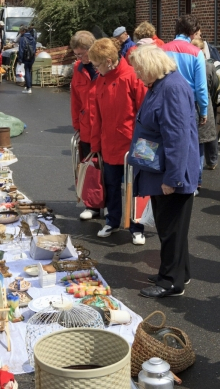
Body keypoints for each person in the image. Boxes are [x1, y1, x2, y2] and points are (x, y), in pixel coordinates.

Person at [128, 45, 199, 298]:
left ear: (151, 66)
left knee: (170, 229)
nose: (137, 75)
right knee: (173, 229)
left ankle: (171, 282)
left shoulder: (171, 87)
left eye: (139, 70)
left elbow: (178, 137)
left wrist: (173, 179)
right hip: (163, 168)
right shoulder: (163, 84)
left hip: (170, 173)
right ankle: (181, 273)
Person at [88, 38, 147, 244]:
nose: (95, 69)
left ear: (109, 60)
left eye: (97, 64)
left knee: (136, 187)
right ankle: (113, 221)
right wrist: (96, 145)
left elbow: (144, 113)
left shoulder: (132, 77)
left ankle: (137, 225)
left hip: (133, 143)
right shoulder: (101, 80)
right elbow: (97, 118)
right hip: (109, 143)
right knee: (111, 184)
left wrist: (144, 146)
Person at [70, 30, 100, 220]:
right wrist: (77, 124)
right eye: (77, 55)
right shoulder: (77, 68)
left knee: (109, 171)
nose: (79, 58)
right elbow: (75, 99)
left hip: (104, 126)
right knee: (89, 167)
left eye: (82, 54)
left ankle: (113, 208)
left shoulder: (103, 67)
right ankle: (93, 205)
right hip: (86, 125)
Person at [162, 15, 208, 125]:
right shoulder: (197, 53)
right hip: (189, 104)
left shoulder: (162, 50)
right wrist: (204, 110)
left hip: (166, 103)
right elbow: (201, 87)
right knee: (188, 140)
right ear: (193, 31)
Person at [191, 38, 219, 176]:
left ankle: (196, 177)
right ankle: (212, 161)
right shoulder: (209, 65)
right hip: (206, 102)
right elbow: (214, 84)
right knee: (208, 135)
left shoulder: (190, 63)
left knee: (198, 141)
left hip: (193, 103)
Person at [18, 25, 36, 94]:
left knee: (27, 71)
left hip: (26, 57)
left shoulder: (23, 38)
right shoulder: (32, 37)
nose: (20, 32)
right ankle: (29, 85)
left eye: (21, 31)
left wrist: (20, 59)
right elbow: (34, 48)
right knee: (29, 70)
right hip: (32, 57)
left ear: (24, 31)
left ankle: (28, 88)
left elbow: (21, 50)